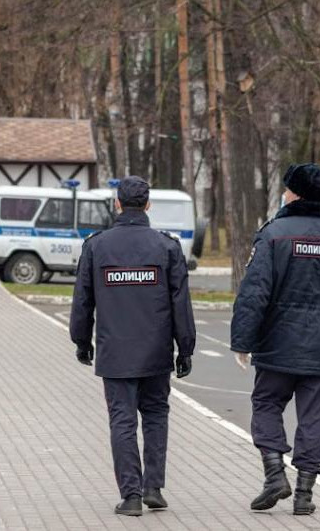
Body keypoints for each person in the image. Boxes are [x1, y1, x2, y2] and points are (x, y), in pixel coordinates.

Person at [230, 163, 320, 516]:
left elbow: (254, 292)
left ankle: (275, 472)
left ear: (292, 193)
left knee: (265, 404)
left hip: (277, 342)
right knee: (313, 417)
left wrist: (242, 341)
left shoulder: (274, 234)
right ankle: (305, 495)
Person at [69, 175, 196, 517]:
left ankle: (131, 496)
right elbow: (180, 304)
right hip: (156, 352)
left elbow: (82, 301)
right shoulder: (167, 247)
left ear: (117, 204)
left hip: (115, 352)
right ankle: (153, 486)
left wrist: (81, 341)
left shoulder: (96, 246)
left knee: (122, 421)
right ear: (149, 205)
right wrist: (185, 349)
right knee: (155, 415)